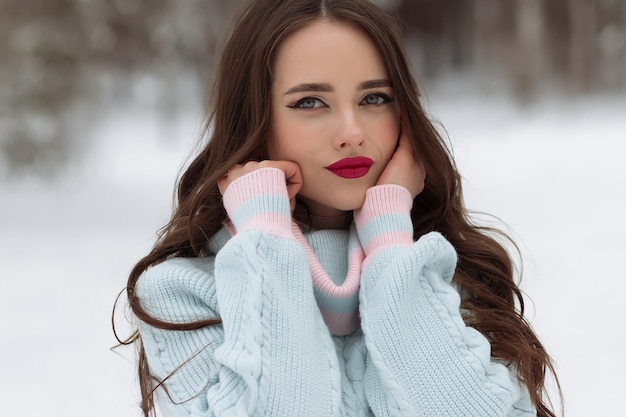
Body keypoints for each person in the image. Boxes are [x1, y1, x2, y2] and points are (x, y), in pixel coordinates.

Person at [119, 0, 560, 416]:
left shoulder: (451, 273)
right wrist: (266, 238)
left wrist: (390, 245)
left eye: (374, 98)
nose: (351, 131)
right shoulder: (179, 295)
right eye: (310, 102)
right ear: (254, 119)